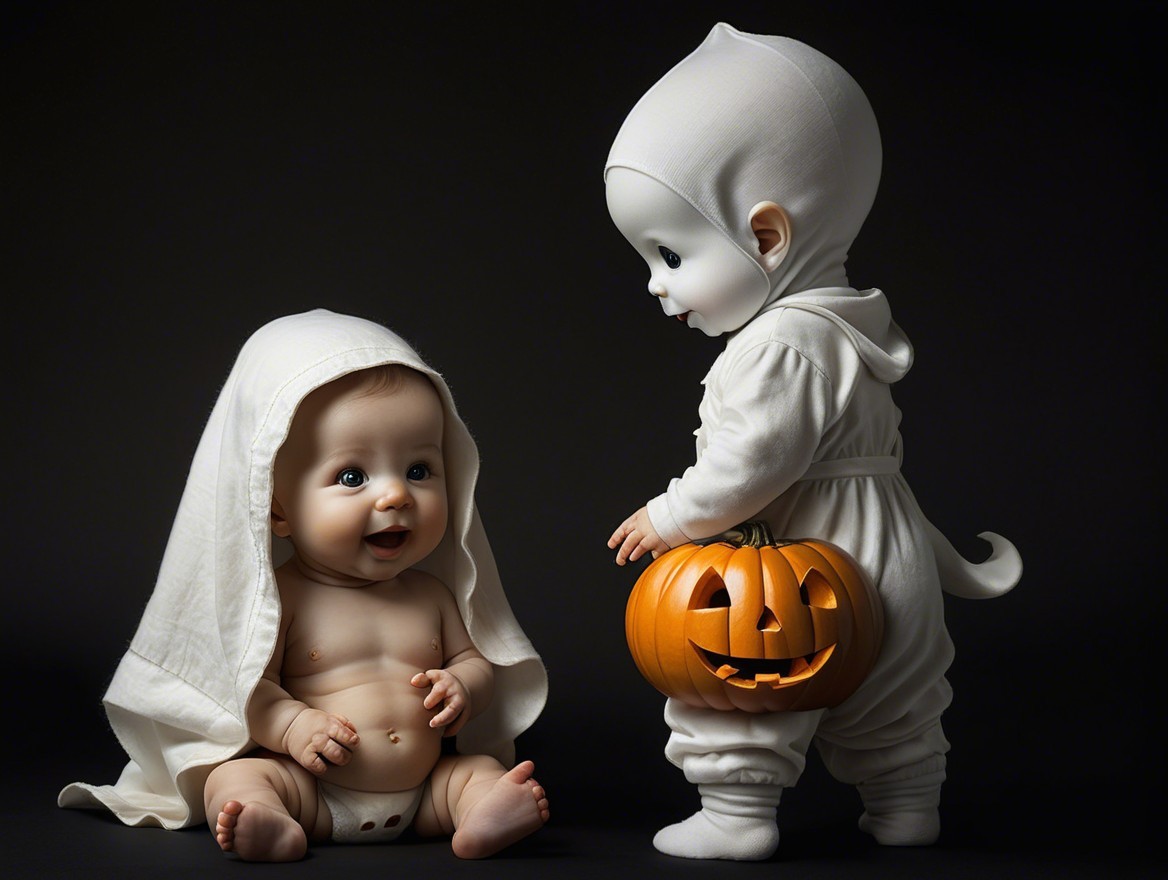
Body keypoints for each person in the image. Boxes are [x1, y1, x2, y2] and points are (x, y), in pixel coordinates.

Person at [604, 23, 1021, 861]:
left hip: (799, 559)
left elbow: (756, 461)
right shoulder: (849, 326)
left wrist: (674, 515)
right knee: (896, 692)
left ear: (766, 237)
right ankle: (907, 805)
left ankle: (737, 813)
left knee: (741, 684)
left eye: (670, 253)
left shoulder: (779, 344)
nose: (655, 283)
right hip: (889, 544)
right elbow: (860, 462)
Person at [60, 310, 548, 861]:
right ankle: (271, 823)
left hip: (424, 793)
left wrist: (465, 687)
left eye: (418, 470)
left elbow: (475, 661)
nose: (395, 496)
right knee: (240, 776)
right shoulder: (282, 599)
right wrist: (294, 726)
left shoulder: (431, 595)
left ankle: (479, 813)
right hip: (314, 792)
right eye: (352, 477)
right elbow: (252, 689)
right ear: (275, 507)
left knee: (476, 771)